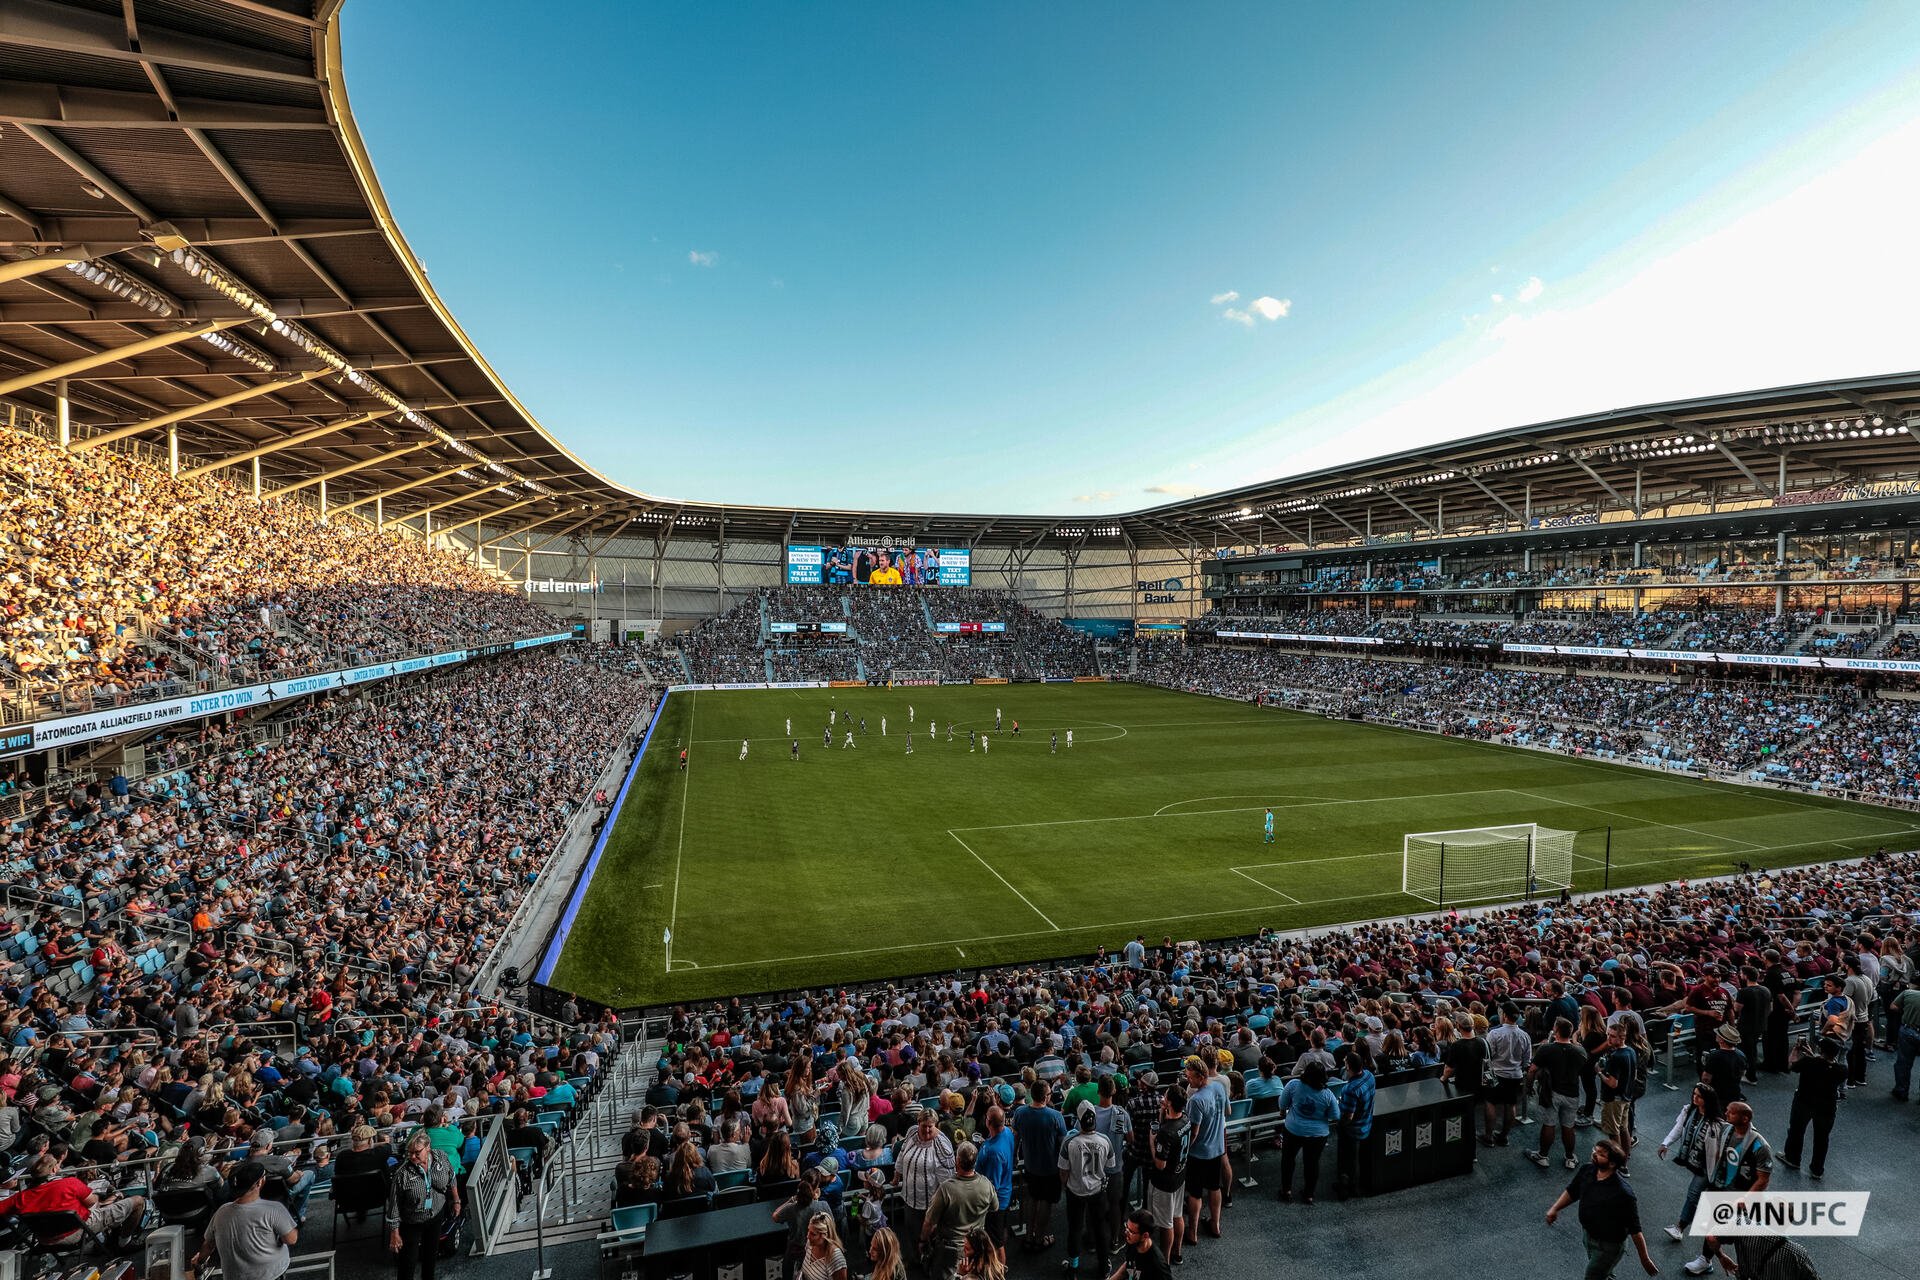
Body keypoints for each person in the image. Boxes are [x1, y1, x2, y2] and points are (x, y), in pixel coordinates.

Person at [1545, 1137, 1658, 1280]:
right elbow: (1573, 1191)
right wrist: (1555, 1208)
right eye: (1595, 1150)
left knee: (1592, 1276)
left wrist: (1645, 1259)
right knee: (1600, 1272)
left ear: (1612, 1164)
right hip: (1588, 1237)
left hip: (1608, 1247)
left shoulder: (1623, 1194)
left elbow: (1635, 1230)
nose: (1594, 1154)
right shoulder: (1587, 1170)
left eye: (1601, 1154)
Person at [1682, 1100, 1772, 1276]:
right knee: (1711, 1224)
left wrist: (1745, 1200)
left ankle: (1745, 1270)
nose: (1726, 1114)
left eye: (1731, 1112)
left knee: (1740, 1236)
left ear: (1745, 1118)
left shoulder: (1760, 1146)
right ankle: (1705, 1260)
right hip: (1721, 1188)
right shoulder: (1726, 1130)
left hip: (1742, 1197)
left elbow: (1763, 1180)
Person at [0, 1152, 146, 1249]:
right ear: (53, 1170)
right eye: (57, 1165)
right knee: (138, 1200)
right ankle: (124, 1243)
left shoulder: (20, 1197)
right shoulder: (69, 1183)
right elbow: (92, 1203)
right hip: (77, 1231)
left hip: (44, 1240)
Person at [193, 1160, 298, 1280]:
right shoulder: (274, 1209)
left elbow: (209, 1245)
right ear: (260, 1182)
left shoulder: (221, 1212)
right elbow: (291, 1239)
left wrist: (199, 1260)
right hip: (270, 1275)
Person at [386, 1128, 459, 1280]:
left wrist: (456, 1200)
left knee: (430, 1257)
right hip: (412, 1221)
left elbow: (451, 1177)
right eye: (409, 1152)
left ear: (428, 1148)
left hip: (436, 1214)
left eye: (417, 1152)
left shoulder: (440, 1157)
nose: (412, 1156)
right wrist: (394, 1233)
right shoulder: (402, 1173)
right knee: (408, 1263)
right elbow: (394, 1205)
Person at [1656, 1082, 1722, 1243]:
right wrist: (1666, 1143)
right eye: (1694, 1094)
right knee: (1697, 1196)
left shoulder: (1716, 1122)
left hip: (1708, 1166)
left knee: (1693, 1194)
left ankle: (1680, 1227)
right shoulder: (1689, 1111)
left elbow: (1716, 1151)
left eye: (1699, 1096)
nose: (1695, 1098)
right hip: (1698, 1162)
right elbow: (1679, 1128)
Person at [921, 1141, 995, 1279]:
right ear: (975, 1162)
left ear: (957, 1161)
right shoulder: (986, 1184)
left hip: (949, 1250)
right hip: (975, 1247)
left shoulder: (946, 1189)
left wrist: (923, 1241)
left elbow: (929, 1222)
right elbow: (994, 1207)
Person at [1780, 1035, 1846, 1180]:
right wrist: (1815, 1056)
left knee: (1797, 1130)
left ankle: (1793, 1158)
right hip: (1826, 1107)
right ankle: (1817, 1169)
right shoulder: (1841, 1070)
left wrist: (1796, 1051)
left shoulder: (1808, 1062)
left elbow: (1791, 1065)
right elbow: (1826, 1065)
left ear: (1821, 1051)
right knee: (1822, 1138)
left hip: (1804, 1102)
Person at [1059, 1102, 1113, 1276]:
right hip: (1097, 1191)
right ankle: (1104, 1267)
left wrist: (1065, 1185)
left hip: (1075, 1191)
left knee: (1075, 1228)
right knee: (1100, 1229)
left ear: (1079, 1121)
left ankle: (1074, 1267)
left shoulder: (1070, 1142)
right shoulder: (1105, 1140)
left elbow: (1063, 1171)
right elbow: (1110, 1166)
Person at [1528, 1017, 1588, 1171]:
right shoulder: (1579, 1051)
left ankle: (1543, 1156)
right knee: (1568, 1126)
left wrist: (1529, 1086)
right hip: (1572, 1093)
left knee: (1549, 1124)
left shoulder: (1546, 1049)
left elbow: (1532, 1070)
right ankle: (1569, 1157)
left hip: (1551, 1092)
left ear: (1556, 1031)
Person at [1275, 1059, 1338, 1204]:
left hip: (1293, 1130)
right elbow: (1335, 1115)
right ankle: (1309, 1194)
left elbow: (1282, 1104)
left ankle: (1286, 1191)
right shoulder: (1327, 1095)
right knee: (1312, 1163)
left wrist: (1285, 1112)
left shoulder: (1294, 1085)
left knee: (1288, 1160)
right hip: (1317, 1135)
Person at [1014, 1085, 1066, 1252]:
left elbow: (1016, 1138)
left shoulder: (1020, 1113)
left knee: (1033, 1198)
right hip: (1050, 1168)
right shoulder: (1056, 1116)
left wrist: (1015, 1156)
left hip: (1030, 1166)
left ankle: (1029, 1237)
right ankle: (1040, 1238)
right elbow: (1063, 1144)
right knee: (1046, 1202)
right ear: (1045, 1097)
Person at [1181, 1056, 1226, 1245]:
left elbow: (1193, 1132)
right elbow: (1226, 1112)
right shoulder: (1220, 1088)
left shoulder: (1196, 1100)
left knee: (1195, 1193)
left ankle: (1192, 1232)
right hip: (1217, 1148)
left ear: (1200, 1076)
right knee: (1215, 1187)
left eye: (1190, 1078)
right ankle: (1215, 1224)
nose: (1188, 1081)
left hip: (1198, 1153)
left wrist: (1184, 1152)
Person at [1145, 1084, 1186, 1266]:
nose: (1162, 1097)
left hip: (1164, 1183)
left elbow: (1160, 1164)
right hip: (1179, 1177)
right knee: (1177, 1215)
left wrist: (1152, 1142)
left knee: (1165, 1224)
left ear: (1169, 1102)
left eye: (1165, 1096)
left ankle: (1165, 1262)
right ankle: (1178, 1253)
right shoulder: (1185, 1120)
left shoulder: (1165, 1133)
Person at [1486, 1002, 1533, 1146]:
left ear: (1504, 1016)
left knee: (1490, 1102)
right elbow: (1527, 1060)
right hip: (1515, 1075)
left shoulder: (1494, 1033)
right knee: (1510, 1104)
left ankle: (1488, 1137)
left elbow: (1489, 1055)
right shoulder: (1524, 1035)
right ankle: (1504, 1136)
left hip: (1497, 1074)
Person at [1336, 1045, 1375, 1198]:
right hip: (1367, 1121)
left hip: (1353, 1129)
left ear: (1348, 1067)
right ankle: (1357, 1183)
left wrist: (1340, 1125)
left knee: (1347, 1160)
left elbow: (1348, 1116)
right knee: (1359, 1159)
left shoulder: (1350, 1089)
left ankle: (1348, 1187)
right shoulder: (1369, 1076)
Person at [1597, 1022, 1639, 1150]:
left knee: (1613, 1132)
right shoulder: (1631, 1051)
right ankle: (1624, 1159)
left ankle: (1617, 1160)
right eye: (1608, 1035)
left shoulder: (1616, 1057)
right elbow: (1634, 1075)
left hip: (1613, 1100)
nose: (1609, 1038)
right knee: (1624, 1128)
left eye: (1613, 1036)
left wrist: (1599, 1073)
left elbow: (1612, 1083)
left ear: (1622, 1037)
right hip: (1625, 1097)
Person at [1106, 1208, 1173, 1280]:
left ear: (1145, 1236)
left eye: (1131, 1231)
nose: (1126, 1232)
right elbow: (1129, 1264)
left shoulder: (1157, 1265)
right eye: (1126, 1227)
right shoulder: (1133, 1241)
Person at [1891, 978, 1920, 1102]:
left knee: (1903, 1062)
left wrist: (1906, 1011)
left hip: (1908, 1030)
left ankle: (1901, 1091)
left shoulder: (1908, 993)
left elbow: (1893, 1007)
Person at [799, 1211, 850, 1280]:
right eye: (808, 1231)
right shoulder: (810, 1243)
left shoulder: (836, 1258)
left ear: (824, 1236)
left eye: (813, 1234)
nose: (808, 1236)